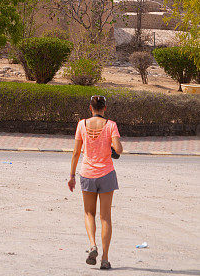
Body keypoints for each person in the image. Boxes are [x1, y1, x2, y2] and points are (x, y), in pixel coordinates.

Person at [68, 95, 123, 270]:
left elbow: (76, 153)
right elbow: (119, 149)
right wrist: (114, 146)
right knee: (105, 217)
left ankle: (92, 245)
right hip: (106, 173)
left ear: (90, 108)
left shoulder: (82, 124)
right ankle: (105, 259)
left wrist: (71, 176)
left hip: (87, 173)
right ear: (104, 108)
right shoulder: (111, 125)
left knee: (89, 213)